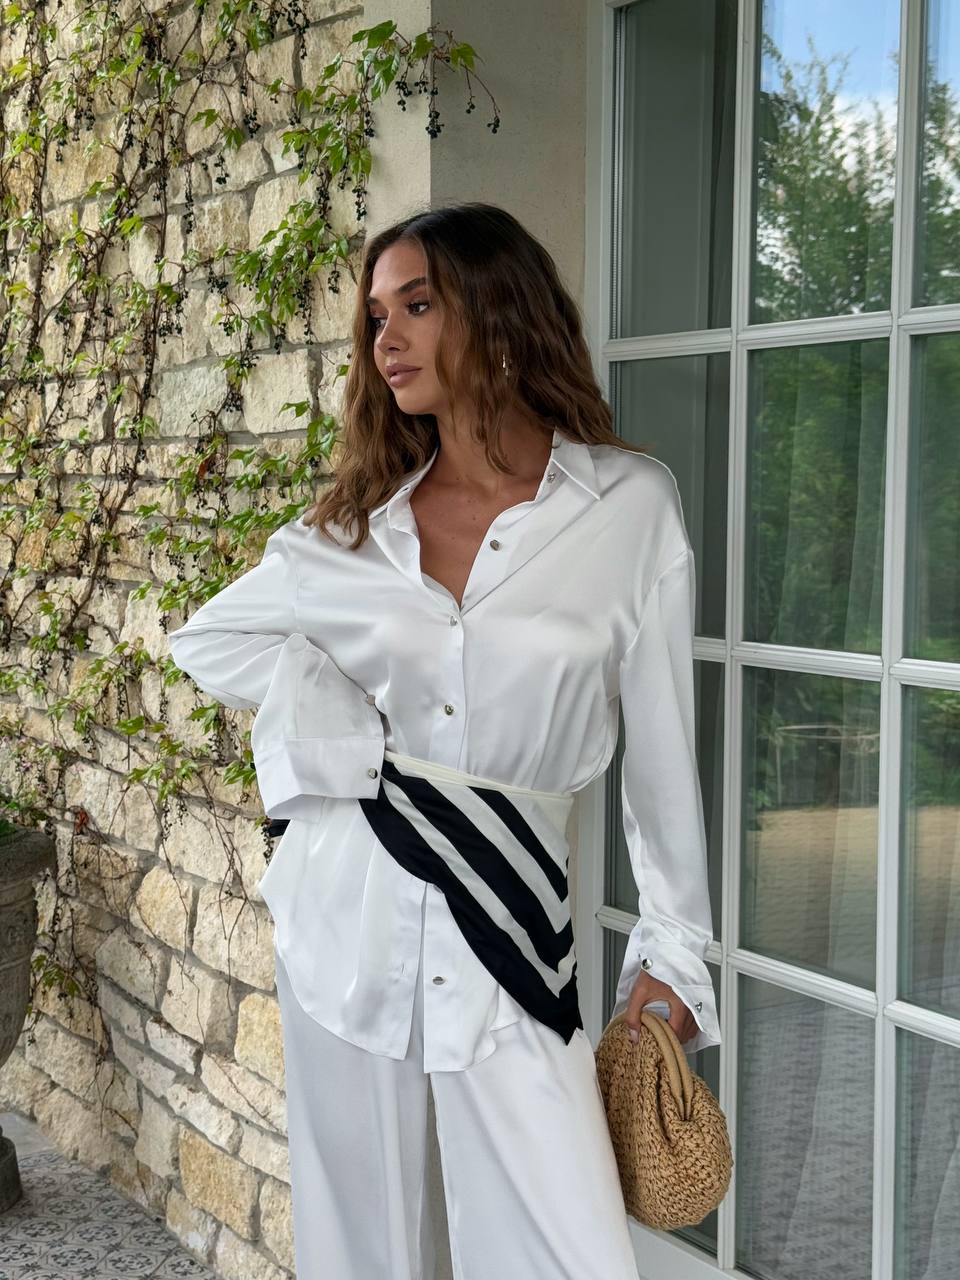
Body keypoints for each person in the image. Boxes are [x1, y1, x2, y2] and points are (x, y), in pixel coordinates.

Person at [167, 202, 720, 1280]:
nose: (389, 340)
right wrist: (342, 730)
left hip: (513, 941)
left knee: (571, 1253)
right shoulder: (352, 531)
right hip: (345, 935)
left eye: (418, 304)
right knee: (368, 1254)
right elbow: (212, 642)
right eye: (377, 315)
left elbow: (661, 762)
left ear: (502, 311)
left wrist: (674, 956)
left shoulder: (627, 509)